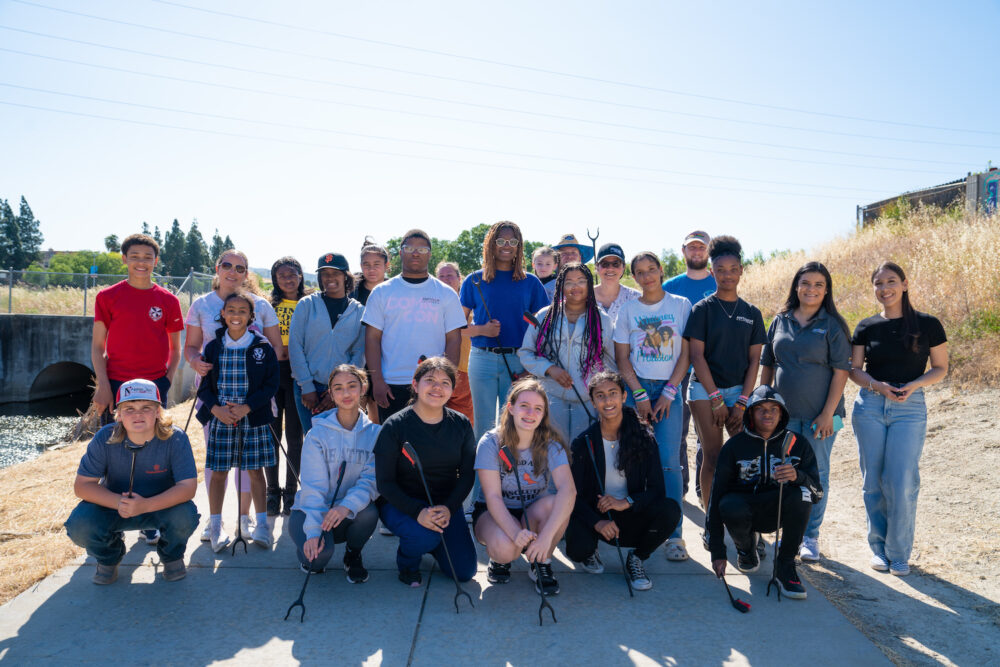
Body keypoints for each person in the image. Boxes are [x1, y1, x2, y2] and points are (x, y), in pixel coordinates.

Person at [849, 262, 947, 576]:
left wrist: (914, 385)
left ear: (904, 284)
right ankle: (878, 550)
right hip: (870, 406)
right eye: (878, 283)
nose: (885, 289)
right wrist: (876, 385)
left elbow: (940, 368)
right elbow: (855, 369)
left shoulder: (928, 324)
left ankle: (899, 552)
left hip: (910, 407)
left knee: (902, 480)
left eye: (891, 281)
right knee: (873, 480)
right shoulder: (866, 326)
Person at [90, 233, 184, 546]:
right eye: (135, 256)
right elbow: (97, 347)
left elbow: (175, 349)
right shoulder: (107, 296)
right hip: (117, 385)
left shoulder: (168, 301)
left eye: (147, 257)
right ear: (124, 259)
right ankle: (112, 520)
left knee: (154, 452)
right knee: (114, 452)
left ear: (155, 261)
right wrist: (103, 385)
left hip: (153, 387)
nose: (141, 262)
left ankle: (150, 520)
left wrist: (166, 382)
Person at [185, 249, 282, 540]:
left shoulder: (262, 306)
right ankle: (214, 521)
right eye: (227, 265)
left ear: (246, 273)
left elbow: (275, 348)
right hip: (215, 396)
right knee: (217, 459)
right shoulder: (202, 305)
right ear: (217, 267)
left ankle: (245, 517)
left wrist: (258, 381)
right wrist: (195, 361)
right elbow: (190, 347)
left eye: (240, 267)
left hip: (251, 398)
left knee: (250, 462)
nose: (233, 271)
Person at [65, 379, 199, 584]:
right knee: (80, 524)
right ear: (118, 414)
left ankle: (171, 555)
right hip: (116, 507)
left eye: (146, 407)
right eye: (129, 408)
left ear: (158, 412)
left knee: (186, 515)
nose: (137, 414)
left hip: (161, 506)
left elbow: (187, 488)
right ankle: (109, 557)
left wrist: (146, 505)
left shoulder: (175, 438)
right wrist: (119, 502)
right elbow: (82, 486)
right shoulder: (104, 438)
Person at [760, 262, 851, 562]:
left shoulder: (833, 325)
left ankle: (810, 536)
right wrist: (763, 402)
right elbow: (768, 364)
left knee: (816, 473)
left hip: (822, 419)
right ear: (796, 286)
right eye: (805, 283)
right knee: (783, 472)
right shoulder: (780, 320)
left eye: (818, 285)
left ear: (827, 290)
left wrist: (827, 414)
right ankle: (789, 534)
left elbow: (841, 372)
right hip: (783, 417)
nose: (811, 290)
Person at [682, 235, 765, 548]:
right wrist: (717, 398)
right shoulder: (703, 309)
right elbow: (696, 356)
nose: (727, 274)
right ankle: (712, 523)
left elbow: (755, 359)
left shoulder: (752, 313)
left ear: (741, 271)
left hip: (739, 393)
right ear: (712, 271)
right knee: (714, 456)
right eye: (721, 269)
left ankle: (748, 522)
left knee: (745, 458)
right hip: (705, 390)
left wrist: (742, 402)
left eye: (733, 269)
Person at [565, 372, 681, 591]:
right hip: (599, 515)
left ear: (624, 396)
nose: (607, 401)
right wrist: (596, 522)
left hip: (631, 511)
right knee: (577, 549)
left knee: (670, 509)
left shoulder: (644, 437)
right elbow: (573, 496)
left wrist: (626, 502)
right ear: (593, 402)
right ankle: (591, 551)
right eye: (600, 395)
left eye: (613, 394)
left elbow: (657, 490)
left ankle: (637, 558)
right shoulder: (584, 443)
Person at [708, 385, 822, 600]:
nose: (768, 413)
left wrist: (798, 476)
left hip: (779, 509)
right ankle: (746, 549)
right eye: (761, 408)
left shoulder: (798, 444)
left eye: (774, 409)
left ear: (782, 414)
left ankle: (785, 565)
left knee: (802, 494)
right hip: (743, 508)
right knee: (727, 504)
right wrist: (717, 551)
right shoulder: (734, 446)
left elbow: (817, 494)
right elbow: (715, 500)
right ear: (750, 413)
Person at [613, 251, 692, 561]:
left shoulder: (680, 305)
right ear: (634, 277)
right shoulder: (628, 310)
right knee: (632, 458)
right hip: (636, 390)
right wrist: (640, 394)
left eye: (651, 269)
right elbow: (622, 358)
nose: (647, 276)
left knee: (670, 461)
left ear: (661, 271)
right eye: (640, 272)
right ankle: (632, 525)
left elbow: (685, 354)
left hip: (669, 391)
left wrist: (669, 392)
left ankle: (674, 535)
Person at [374, 357, 477, 586]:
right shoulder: (395, 426)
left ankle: (434, 543)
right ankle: (408, 561)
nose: (437, 387)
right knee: (423, 535)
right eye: (430, 380)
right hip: (402, 504)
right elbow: (385, 483)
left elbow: (468, 475)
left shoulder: (461, 424)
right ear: (415, 384)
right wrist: (418, 511)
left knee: (464, 571)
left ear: (452, 389)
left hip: (444, 506)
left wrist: (449, 508)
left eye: (445, 382)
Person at [473, 377, 575, 595]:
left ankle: (542, 562)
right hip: (495, 512)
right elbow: (493, 497)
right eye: (524, 406)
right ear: (510, 408)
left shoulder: (552, 445)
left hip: (532, 511)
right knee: (505, 549)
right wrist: (514, 532)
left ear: (544, 414)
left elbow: (569, 490)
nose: (531, 413)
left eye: (538, 409)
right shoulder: (491, 442)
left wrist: (546, 538)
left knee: (560, 503)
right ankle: (500, 561)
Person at [363, 229, 466, 422]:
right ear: (400, 252)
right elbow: (372, 338)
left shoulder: (446, 294)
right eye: (409, 248)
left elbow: (453, 340)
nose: (416, 253)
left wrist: (446, 381)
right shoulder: (381, 292)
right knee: (394, 448)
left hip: (431, 384)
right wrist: (376, 380)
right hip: (391, 385)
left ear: (430, 254)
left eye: (422, 249)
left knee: (429, 448)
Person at [289, 364, 380, 582]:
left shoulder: (376, 434)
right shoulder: (317, 434)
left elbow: (370, 482)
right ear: (330, 394)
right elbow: (313, 487)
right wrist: (312, 532)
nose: (346, 393)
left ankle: (353, 553)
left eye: (351, 386)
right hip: (311, 511)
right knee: (317, 560)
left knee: (369, 512)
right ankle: (308, 549)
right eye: (338, 388)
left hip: (346, 513)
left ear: (363, 387)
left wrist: (345, 506)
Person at [460, 221, 548, 442]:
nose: (506, 245)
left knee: (516, 424)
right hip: (482, 359)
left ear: (519, 246)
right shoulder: (474, 280)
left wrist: (532, 367)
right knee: (483, 424)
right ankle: (482, 477)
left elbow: (545, 329)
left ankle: (511, 475)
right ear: (491, 244)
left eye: (512, 241)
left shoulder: (532, 283)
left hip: (519, 362)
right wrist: (483, 330)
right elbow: (458, 328)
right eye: (500, 241)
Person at [519, 263, 616, 444]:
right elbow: (526, 353)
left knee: (583, 455)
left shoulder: (602, 320)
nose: (575, 287)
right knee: (552, 452)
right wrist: (549, 369)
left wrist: (600, 390)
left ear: (589, 284)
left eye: (581, 281)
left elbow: (612, 361)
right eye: (569, 282)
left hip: (588, 401)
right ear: (560, 286)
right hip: (550, 398)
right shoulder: (544, 316)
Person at [287, 253, 365, 438]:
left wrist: (338, 389)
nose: (330, 278)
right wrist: (306, 386)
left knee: (343, 441)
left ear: (346, 276)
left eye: (335, 273)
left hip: (343, 389)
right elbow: (295, 346)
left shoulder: (358, 311)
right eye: (324, 274)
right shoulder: (307, 304)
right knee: (315, 442)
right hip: (308, 388)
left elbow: (359, 353)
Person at [663, 230, 717, 498]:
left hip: (711, 368)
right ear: (683, 251)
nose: (696, 252)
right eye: (691, 247)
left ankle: (702, 487)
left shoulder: (721, 282)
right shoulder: (670, 286)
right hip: (678, 367)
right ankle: (680, 487)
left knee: (706, 433)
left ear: (708, 251)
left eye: (701, 247)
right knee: (678, 429)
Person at [265, 256, 308, 517]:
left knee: (294, 436)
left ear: (301, 276)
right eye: (282, 275)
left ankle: (291, 492)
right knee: (272, 436)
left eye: (292, 274)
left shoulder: (308, 303)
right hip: (271, 374)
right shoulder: (268, 305)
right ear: (275, 279)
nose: (288, 279)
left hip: (297, 373)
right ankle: (273, 492)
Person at [435, 261, 475, 424]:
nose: (446, 279)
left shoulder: (470, 305)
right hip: (437, 369)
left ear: (459, 279)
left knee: (465, 421)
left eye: (450, 275)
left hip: (465, 370)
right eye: (441, 276)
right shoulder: (431, 305)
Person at [593, 243, 639, 327]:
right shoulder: (584, 297)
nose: (610, 268)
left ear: (623, 267)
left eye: (616, 264)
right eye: (605, 264)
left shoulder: (636, 298)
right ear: (597, 267)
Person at [351, 237, 389, 307]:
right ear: (361, 266)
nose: (371, 269)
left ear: (386, 265)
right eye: (366, 264)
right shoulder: (350, 293)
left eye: (376, 264)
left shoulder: (396, 292)